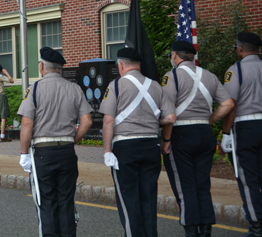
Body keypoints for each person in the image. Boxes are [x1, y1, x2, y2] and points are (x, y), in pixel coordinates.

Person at [99, 47, 176, 237]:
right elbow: (171, 118)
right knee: (148, 200)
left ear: (121, 65)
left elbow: (108, 120)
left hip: (125, 147)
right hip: (151, 146)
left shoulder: (115, 85)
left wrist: (107, 151)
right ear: (139, 65)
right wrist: (152, 121)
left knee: (128, 201)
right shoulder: (156, 85)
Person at [160, 40, 234, 237]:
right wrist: (210, 120)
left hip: (181, 133)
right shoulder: (209, 76)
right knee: (202, 184)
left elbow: (169, 113)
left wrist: (166, 140)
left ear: (175, 55)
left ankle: (191, 230)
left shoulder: (172, 76)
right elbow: (227, 104)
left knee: (185, 186)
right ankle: (206, 229)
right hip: (204, 132)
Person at [18, 47, 93, 237]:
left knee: (46, 203)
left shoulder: (34, 89)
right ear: (60, 68)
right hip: (66, 149)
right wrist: (73, 140)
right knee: (66, 201)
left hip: (43, 151)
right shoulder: (74, 88)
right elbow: (87, 121)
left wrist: (24, 153)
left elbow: (26, 125)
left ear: (42, 66)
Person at [221, 32, 262, 237]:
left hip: (245, 128)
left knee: (248, 179)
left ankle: (256, 226)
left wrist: (226, 133)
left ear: (241, 48)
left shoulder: (236, 70)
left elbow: (231, 105)